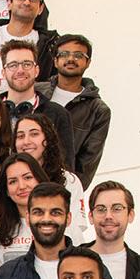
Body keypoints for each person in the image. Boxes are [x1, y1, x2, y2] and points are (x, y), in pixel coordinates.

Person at [48, 34, 108, 183]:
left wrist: (68, 190)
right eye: (64, 54)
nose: (71, 59)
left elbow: (87, 164)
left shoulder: (98, 110)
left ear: (88, 62)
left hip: (60, 186)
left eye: (78, 55)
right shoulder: (37, 91)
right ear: (55, 61)